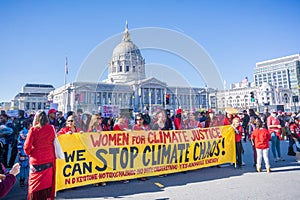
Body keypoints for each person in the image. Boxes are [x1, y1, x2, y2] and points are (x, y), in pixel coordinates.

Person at [24, 110, 56, 200]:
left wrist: (30, 153)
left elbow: (27, 147)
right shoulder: (51, 128)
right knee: (47, 184)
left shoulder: (33, 130)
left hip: (36, 161)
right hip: (49, 160)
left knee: (35, 187)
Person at [17, 119, 32, 187]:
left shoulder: (31, 132)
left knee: (30, 167)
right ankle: (22, 180)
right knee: (23, 167)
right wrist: (20, 152)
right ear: (28, 125)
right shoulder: (22, 133)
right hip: (23, 153)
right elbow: (19, 144)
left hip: (30, 153)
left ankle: (29, 180)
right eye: (31, 124)